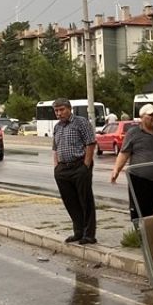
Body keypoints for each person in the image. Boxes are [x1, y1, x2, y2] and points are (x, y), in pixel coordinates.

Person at [50, 97, 97, 245]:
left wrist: (86, 165)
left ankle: (89, 234)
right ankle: (78, 232)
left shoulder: (81, 122)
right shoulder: (57, 127)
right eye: (56, 111)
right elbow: (55, 148)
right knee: (70, 201)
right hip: (63, 169)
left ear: (69, 109)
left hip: (79, 166)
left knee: (85, 200)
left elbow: (90, 143)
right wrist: (56, 166)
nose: (59, 113)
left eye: (61, 110)